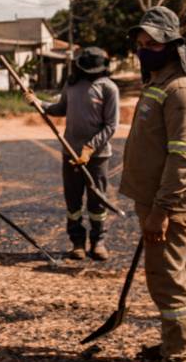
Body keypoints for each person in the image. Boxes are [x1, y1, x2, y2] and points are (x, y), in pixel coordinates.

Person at [118, 6, 186, 362]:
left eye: (151, 42)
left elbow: (183, 156)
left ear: (172, 45)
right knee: (176, 274)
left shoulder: (182, 91)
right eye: (140, 43)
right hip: (155, 200)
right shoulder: (159, 82)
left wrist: (161, 210)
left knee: (166, 280)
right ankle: (180, 345)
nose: (144, 49)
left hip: (168, 204)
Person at [27, 47, 119, 261]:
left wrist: (89, 148)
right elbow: (60, 108)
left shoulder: (109, 89)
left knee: (97, 201)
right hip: (70, 152)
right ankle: (77, 242)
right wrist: (39, 103)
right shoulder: (72, 85)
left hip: (97, 156)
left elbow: (111, 126)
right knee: (73, 201)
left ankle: (98, 241)